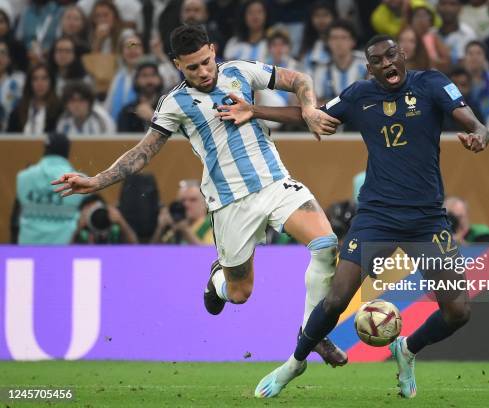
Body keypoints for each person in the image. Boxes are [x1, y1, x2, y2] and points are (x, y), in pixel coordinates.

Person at [51, 24, 347, 367]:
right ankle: (217, 280)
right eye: (193, 67)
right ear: (178, 64)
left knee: (326, 244)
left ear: (213, 49)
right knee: (239, 293)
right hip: (230, 203)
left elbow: (298, 79)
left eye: (206, 61)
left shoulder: (240, 71)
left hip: (275, 183)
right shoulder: (175, 103)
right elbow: (143, 152)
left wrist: (309, 108)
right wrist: (97, 180)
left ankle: (311, 334)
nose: (203, 71)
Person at [215, 34, 489, 399]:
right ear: (370, 68)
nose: (387, 63)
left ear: (402, 55)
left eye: (391, 55)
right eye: (377, 60)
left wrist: (479, 134)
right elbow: (310, 115)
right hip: (377, 216)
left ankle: (407, 349)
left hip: (426, 220)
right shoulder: (360, 94)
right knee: (336, 299)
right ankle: (294, 362)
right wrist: (256, 110)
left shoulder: (432, 84)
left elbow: (471, 121)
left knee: (458, 311)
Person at [15, 132, 84, 244]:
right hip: (63, 253)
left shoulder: (22, 178)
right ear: (67, 151)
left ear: (45, 149)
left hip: (27, 251)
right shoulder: (80, 180)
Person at [311, 20, 368, 107]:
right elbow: (316, 101)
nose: (339, 43)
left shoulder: (366, 65)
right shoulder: (321, 69)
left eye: (343, 37)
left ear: (353, 41)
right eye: (334, 38)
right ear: (327, 42)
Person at [152, 179, 214, 245]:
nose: (186, 204)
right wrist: (160, 228)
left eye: (193, 200)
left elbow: (210, 253)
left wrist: (185, 230)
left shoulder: (213, 225)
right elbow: (152, 253)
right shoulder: (173, 226)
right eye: (182, 200)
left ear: (206, 203)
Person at [7, 63, 61, 134]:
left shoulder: (59, 109)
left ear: (51, 82)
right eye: (35, 79)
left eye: (44, 78)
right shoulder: (18, 110)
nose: (40, 83)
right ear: (29, 83)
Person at [463, 40, 489, 121]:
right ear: (465, 58)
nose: (474, 57)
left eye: (479, 53)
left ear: (485, 57)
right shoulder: (458, 80)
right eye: (470, 53)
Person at [72, 193, 139, 244]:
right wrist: (78, 229)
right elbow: (67, 255)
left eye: (96, 209)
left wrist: (120, 220)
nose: (95, 215)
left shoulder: (114, 229)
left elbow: (134, 246)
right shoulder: (83, 234)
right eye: (89, 211)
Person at [117, 61, 163, 132]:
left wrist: (153, 118)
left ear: (160, 79)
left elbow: (178, 136)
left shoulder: (169, 108)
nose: (149, 80)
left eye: (153, 75)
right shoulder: (128, 111)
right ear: (136, 80)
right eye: (144, 75)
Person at [436, 0, 477, 65]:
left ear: (460, 8)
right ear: (437, 8)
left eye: (452, 4)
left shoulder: (468, 34)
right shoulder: (431, 34)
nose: (447, 8)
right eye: (443, 3)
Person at [298, 1, 336, 70]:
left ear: (333, 17)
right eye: (317, 15)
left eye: (325, 15)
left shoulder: (341, 41)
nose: (321, 20)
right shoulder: (307, 45)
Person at [0, 38, 24, 131]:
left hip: (12, 131)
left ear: (9, 58)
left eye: (3, 53)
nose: (0, 57)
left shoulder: (20, 80)